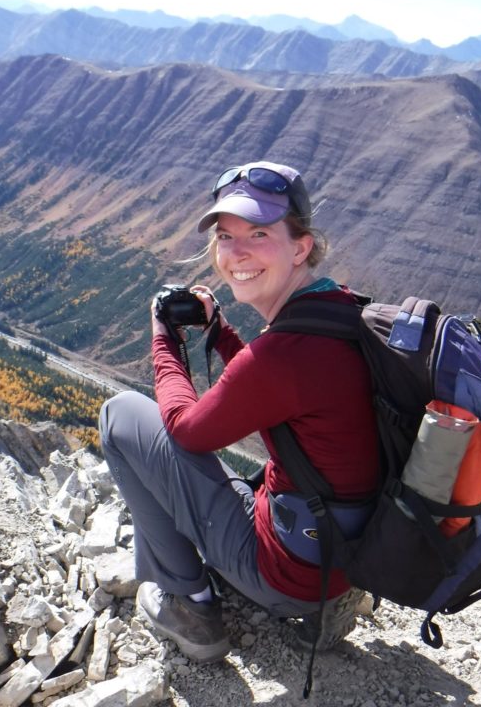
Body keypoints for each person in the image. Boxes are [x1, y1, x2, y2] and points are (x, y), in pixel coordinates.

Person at [98, 160, 380, 667]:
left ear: (301, 246)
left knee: (120, 416)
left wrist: (163, 338)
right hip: (343, 553)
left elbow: (187, 431)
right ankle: (332, 601)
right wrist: (223, 333)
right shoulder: (342, 310)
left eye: (258, 233)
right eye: (225, 236)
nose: (235, 252)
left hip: (287, 575)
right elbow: (277, 393)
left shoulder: (284, 356)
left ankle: (192, 606)